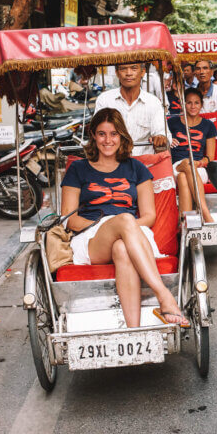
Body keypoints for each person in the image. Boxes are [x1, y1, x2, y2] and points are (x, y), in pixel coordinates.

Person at [61, 108, 187, 328]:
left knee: (121, 247)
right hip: (93, 237)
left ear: (122, 136)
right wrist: (111, 225)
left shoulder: (136, 168)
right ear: (93, 136)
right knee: (124, 220)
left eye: (114, 134)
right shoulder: (78, 169)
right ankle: (164, 296)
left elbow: (149, 216)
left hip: (133, 234)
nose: (108, 140)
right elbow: (69, 219)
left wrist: (123, 228)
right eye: (102, 134)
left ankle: (133, 330)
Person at [167, 88, 217, 223]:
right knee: (185, 163)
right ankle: (206, 214)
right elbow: (160, 139)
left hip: (198, 168)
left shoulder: (208, 125)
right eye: (189, 103)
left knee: (183, 176)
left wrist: (198, 163)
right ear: (183, 104)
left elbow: (210, 157)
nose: (193, 106)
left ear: (201, 105)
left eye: (196, 103)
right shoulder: (172, 123)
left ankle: (185, 223)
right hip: (175, 166)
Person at [95, 62, 167, 156]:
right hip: (113, 159)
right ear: (117, 73)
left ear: (142, 72)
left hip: (144, 161)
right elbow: (98, 133)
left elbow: (161, 131)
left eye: (134, 68)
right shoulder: (104, 99)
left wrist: (160, 138)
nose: (128, 73)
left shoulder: (153, 102)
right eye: (123, 69)